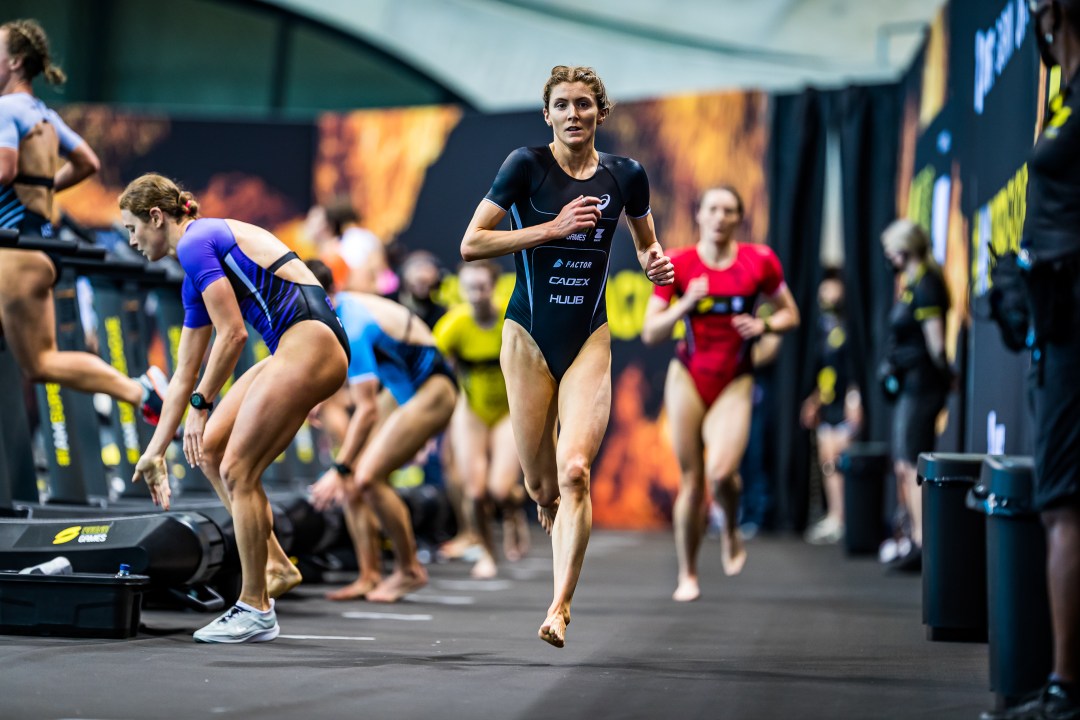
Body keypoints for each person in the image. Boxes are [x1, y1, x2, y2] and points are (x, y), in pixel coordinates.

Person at [460, 65, 674, 647]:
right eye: (562, 105)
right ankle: (542, 497)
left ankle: (559, 607)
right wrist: (550, 229)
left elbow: (647, 242)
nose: (573, 114)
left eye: (584, 104)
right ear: (547, 114)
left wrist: (656, 263)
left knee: (575, 470)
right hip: (526, 336)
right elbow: (472, 243)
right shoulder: (525, 166)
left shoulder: (625, 175)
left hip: (589, 336)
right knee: (538, 484)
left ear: (600, 113)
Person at [120, 174, 349, 643]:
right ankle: (275, 565)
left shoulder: (198, 240)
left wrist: (202, 406)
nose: (132, 240)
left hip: (310, 344)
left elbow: (233, 336)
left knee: (238, 470)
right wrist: (155, 451)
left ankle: (255, 607)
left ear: (156, 218)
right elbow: (183, 375)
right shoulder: (194, 273)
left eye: (131, 228)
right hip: (293, 347)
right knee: (211, 451)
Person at [983, 2, 1080, 717]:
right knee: (1059, 503)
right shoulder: (1065, 90)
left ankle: (1065, 690)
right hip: (1057, 324)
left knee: (1064, 505)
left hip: (1073, 323)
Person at [0, 19, 167, 423]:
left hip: (12, 251)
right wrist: (43, 188)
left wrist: (32, 187)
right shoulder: (44, 114)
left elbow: (3, 171)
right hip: (40, 246)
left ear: (16, 62)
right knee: (41, 362)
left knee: (39, 360)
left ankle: (139, 390)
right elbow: (87, 162)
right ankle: (140, 390)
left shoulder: (5, 108)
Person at [642, 186, 799, 603]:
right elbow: (650, 331)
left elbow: (791, 314)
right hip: (688, 374)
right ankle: (687, 573)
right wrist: (686, 304)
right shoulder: (678, 262)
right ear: (699, 214)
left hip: (735, 376)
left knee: (722, 473)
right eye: (712, 208)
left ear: (738, 218)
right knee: (692, 481)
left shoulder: (759, 260)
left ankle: (730, 526)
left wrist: (765, 326)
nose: (719, 217)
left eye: (728, 210)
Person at [306, 259, 457, 602]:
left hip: (432, 390)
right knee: (355, 483)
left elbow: (367, 407)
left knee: (364, 478)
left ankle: (409, 569)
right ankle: (369, 575)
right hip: (405, 389)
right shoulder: (342, 310)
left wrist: (338, 467)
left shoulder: (353, 324)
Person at [433, 260, 527, 579]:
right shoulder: (454, 325)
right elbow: (434, 372)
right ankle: (487, 553)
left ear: (493, 287)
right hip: (471, 409)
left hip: (507, 410)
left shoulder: (511, 319)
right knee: (475, 492)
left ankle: (513, 508)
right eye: (469, 287)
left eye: (482, 287)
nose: (476, 294)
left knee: (499, 491)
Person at [879, 219, 950, 573]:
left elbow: (936, 343)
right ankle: (914, 538)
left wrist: (944, 372)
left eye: (890, 250)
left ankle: (924, 543)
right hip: (910, 385)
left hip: (923, 386)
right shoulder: (912, 284)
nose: (887, 257)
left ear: (903, 249)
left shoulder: (926, 285)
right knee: (904, 462)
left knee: (913, 463)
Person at [801, 268, 862, 545]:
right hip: (828, 402)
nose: (828, 295)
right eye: (824, 290)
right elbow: (822, 368)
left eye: (832, 289)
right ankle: (835, 516)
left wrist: (854, 398)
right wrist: (814, 399)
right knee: (827, 458)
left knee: (840, 456)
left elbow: (852, 367)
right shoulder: (821, 328)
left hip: (845, 402)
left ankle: (849, 517)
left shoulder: (850, 327)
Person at [396, 250, 447, 330]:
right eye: (417, 267)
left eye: (425, 283)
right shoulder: (386, 303)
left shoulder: (440, 314)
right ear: (404, 275)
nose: (422, 274)